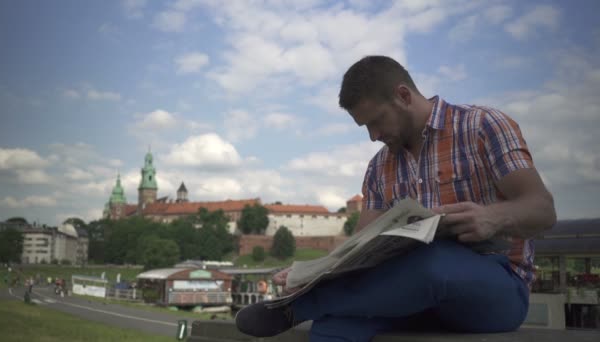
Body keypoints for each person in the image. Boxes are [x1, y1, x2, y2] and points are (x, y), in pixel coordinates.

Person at [235, 55, 556, 341]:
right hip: (405, 294)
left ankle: (303, 306)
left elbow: (543, 210)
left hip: (496, 286)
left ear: (403, 95)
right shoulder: (378, 167)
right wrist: (311, 273)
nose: (373, 136)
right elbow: (358, 250)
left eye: (376, 121)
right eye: (364, 127)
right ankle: (315, 300)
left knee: (434, 261)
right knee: (335, 325)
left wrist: (492, 218)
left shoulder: (484, 126)